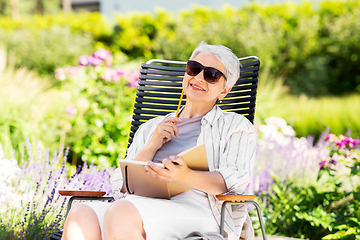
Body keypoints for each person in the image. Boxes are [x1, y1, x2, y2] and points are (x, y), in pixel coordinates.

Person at [61, 42, 256, 240]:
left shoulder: (236, 126)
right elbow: (122, 183)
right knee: (81, 214)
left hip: (200, 209)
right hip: (140, 202)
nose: (198, 78)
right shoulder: (151, 127)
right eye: (194, 69)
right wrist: (153, 143)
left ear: (224, 91)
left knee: (122, 211)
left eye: (211, 75)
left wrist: (184, 176)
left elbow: (233, 181)